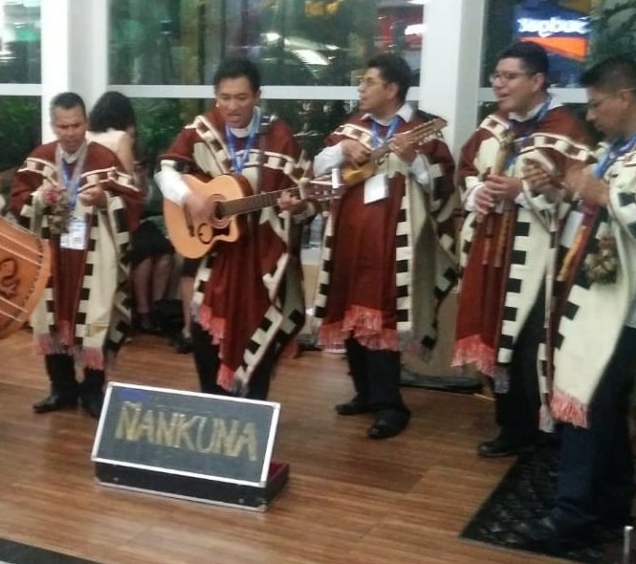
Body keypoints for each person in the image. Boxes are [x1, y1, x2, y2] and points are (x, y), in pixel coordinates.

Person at [516, 56, 636, 546]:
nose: (591, 115)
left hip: (623, 313)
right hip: (596, 301)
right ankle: (606, 503)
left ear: (626, 97)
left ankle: (573, 513)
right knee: (599, 408)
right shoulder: (613, 150)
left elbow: (615, 203)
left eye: (598, 103)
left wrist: (602, 193)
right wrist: (564, 190)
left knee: (587, 403)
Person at [453, 41, 592, 457]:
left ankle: (551, 433)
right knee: (498, 341)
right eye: (496, 76)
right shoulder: (493, 126)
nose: (499, 84)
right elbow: (465, 170)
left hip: (544, 264)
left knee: (536, 347)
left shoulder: (567, 128)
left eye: (509, 76)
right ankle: (512, 427)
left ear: (537, 80)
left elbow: (582, 194)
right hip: (494, 252)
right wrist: (477, 190)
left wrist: (523, 190)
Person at [311, 53, 458, 440]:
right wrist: (342, 151)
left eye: (369, 82)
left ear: (392, 89)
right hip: (348, 242)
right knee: (351, 317)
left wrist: (412, 161)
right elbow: (316, 170)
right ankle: (364, 393)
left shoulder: (422, 131)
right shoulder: (351, 128)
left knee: (384, 322)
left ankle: (391, 405)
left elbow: (442, 188)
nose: (361, 88)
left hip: (395, 247)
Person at [156, 56, 310, 400]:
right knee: (203, 336)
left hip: (259, 261)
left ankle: (251, 419)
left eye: (241, 97)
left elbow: (306, 194)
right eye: (224, 97)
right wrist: (190, 200)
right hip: (211, 255)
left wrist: (297, 206)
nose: (232, 106)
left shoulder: (280, 137)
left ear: (257, 95)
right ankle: (215, 413)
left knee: (258, 334)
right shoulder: (201, 130)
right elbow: (165, 172)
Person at [11, 92, 142, 418]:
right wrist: (40, 197)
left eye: (77, 125)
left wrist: (105, 201)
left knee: (94, 316)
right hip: (53, 254)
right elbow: (17, 202)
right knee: (51, 317)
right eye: (63, 126)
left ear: (86, 122)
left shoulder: (103, 159)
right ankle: (62, 389)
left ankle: (93, 391)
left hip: (93, 254)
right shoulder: (39, 159)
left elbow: (133, 203)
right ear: (53, 125)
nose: (70, 133)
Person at [88, 91, 174, 335]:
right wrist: (138, 176)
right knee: (156, 251)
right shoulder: (120, 139)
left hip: (96, 219)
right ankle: (151, 311)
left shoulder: (86, 137)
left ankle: (147, 312)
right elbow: (127, 189)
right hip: (121, 218)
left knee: (155, 248)